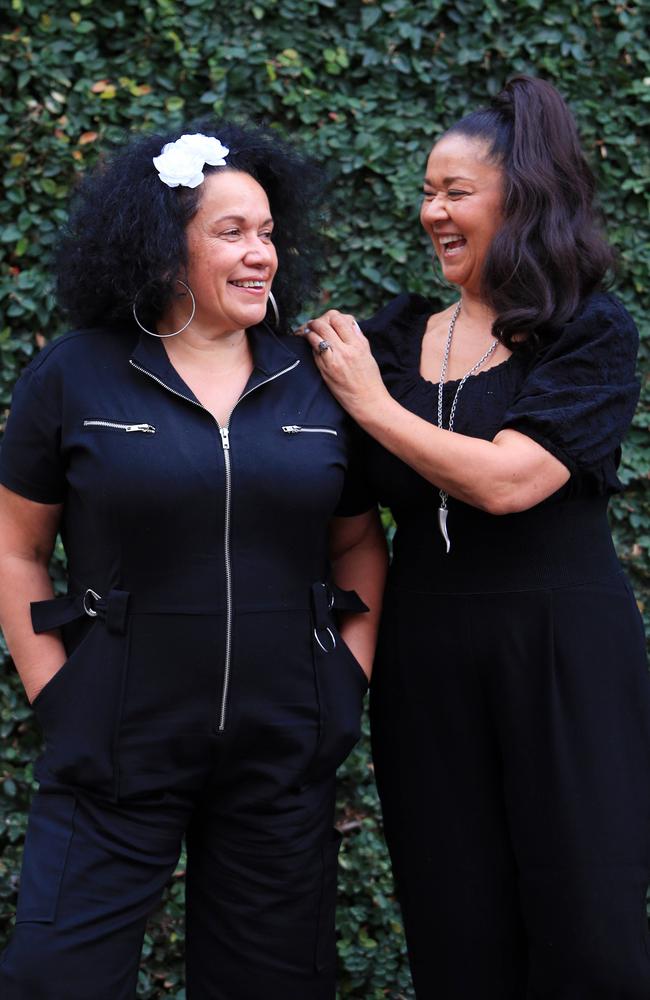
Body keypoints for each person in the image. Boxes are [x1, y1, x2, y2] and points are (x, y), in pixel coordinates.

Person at [0, 121, 387, 1000]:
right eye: (231, 233)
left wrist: (343, 686)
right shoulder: (74, 376)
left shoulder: (314, 378)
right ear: (161, 242)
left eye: (268, 233)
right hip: (115, 745)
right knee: (55, 980)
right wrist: (60, 696)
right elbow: (14, 546)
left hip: (280, 753)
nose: (262, 255)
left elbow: (359, 539)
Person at [301, 76, 650, 997]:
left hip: (561, 656)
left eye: (456, 192)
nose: (432, 212)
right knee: (454, 928)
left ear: (523, 197)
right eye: (426, 192)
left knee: (592, 936)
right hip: (425, 659)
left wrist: (371, 405)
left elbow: (508, 481)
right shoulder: (390, 339)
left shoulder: (589, 332)